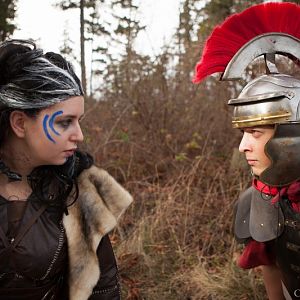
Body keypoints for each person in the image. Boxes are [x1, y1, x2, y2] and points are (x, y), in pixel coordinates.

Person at [0, 39, 133, 300]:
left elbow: (103, 287)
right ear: (19, 123)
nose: (79, 135)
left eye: (79, 121)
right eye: (64, 122)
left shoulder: (78, 192)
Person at [193, 2, 300, 300]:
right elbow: (273, 269)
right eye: (243, 133)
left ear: (293, 134)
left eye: (255, 132)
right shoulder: (263, 197)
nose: (243, 146)